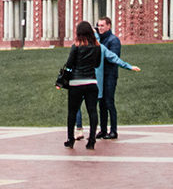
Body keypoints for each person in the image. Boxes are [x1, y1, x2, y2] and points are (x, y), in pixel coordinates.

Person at [57, 21, 139, 150]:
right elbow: (96, 64)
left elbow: (69, 65)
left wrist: (62, 80)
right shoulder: (97, 46)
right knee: (92, 111)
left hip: (76, 83)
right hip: (91, 82)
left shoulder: (76, 46)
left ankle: (70, 139)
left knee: (72, 112)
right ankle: (92, 140)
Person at [96, 17, 122, 140]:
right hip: (100, 76)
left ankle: (113, 130)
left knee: (109, 102)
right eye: (98, 26)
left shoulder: (114, 40)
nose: (100, 28)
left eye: (102, 26)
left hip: (110, 75)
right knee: (101, 103)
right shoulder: (98, 40)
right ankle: (103, 129)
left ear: (109, 26)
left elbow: (113, 58)